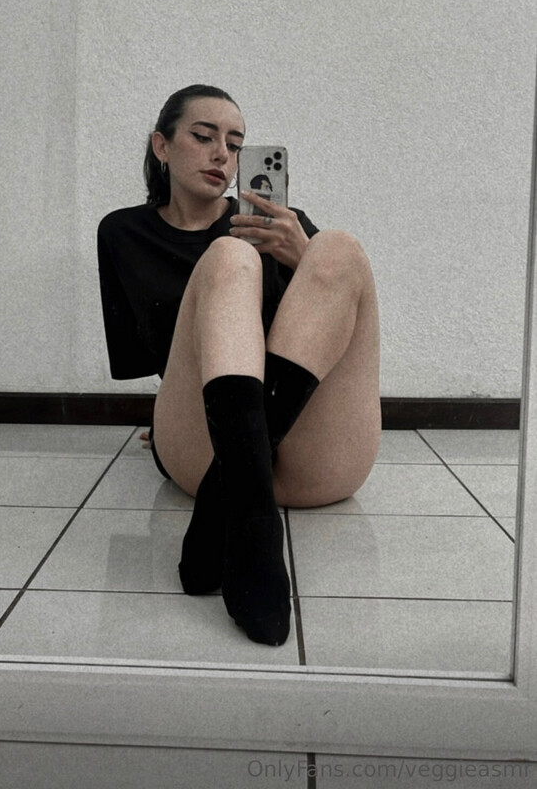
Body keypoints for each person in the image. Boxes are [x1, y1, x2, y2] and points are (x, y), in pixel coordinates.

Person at [97, 84, 381, 647]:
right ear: (162, 145)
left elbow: (328, 329)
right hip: (204, 447)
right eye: (204, 137)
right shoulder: (122, 232)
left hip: (309, 457)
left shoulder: (282, 223)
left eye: (235, 144)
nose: (221, 155)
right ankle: (254, 527)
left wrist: (303, 258)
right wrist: (175, 414)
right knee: (229, 255)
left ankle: (225, 506)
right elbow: (153, 362)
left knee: (339, 247)